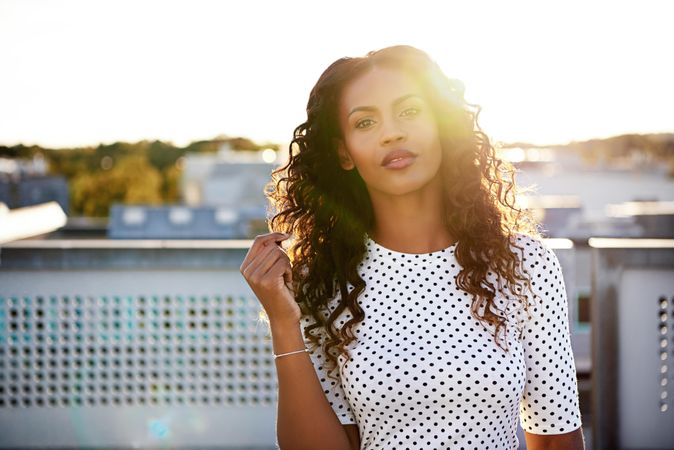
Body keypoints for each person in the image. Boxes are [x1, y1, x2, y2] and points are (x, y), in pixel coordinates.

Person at [240, 45, 584, 450]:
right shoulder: (323, 281)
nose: (391, 133)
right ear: (344, 153)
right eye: (365, 122)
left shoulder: (525, 264)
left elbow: (557, 435)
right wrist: (284, 324)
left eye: (409, 111)